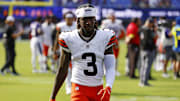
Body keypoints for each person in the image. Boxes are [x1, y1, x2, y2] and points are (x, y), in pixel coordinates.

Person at [50, 4, 116, 101]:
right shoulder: (69, 38)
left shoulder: (105, 37)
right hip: (79, 87)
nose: (88, 23)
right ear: (78, 21)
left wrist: (109, 86)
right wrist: (53, 96)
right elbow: (63, 68)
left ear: (95, 20)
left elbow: (110, 66)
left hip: (98, 89)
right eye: (85, 19)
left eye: (91, 19)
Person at [54, 11, 76, 95]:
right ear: (65, 19)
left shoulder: (76, 25)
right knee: (67, 69)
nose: (69, 20)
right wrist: (55, 49)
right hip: (64, 50)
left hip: (75, 50)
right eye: (68, 19)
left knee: (75, 69)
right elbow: (57, 37)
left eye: (70, 19)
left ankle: (75, 86)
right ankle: (68, 87)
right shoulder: (61, 26)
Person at [101, 11, 125, 76]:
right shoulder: (105, 23)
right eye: (111, 16)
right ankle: (105, 70)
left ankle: (115, 70)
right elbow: (101, 31)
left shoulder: (119, 23)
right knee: (106, 55)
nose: (113, 17)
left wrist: (118, 38)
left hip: (116, 41)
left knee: (115, 56)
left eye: (113, 16)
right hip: (107, 41)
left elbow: (123, 32)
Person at [139, 18, 156, 87]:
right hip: (148, 49)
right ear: (149, 23)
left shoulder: (141, 28)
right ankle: (144, 82)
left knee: (143, 66)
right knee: (147, 66)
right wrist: (154, 30)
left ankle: (141, 81)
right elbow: (155, 37)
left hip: (142, 49)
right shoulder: (148, 30)